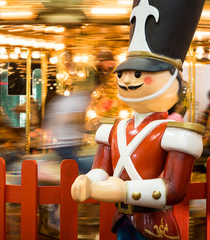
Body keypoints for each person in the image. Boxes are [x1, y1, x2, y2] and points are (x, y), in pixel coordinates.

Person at [71, 0, 205, 239]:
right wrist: (87, 180)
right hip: (122, 220)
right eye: (122, 73)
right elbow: (101, 169)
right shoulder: (115, 128)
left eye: (138, 73)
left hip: (156, 225)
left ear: (173, 80)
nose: (127, 80)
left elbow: (173, 190)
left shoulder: (178, 133)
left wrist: (124, 190)